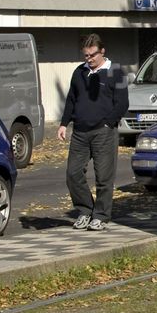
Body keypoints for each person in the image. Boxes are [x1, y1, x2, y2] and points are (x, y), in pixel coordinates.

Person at [57, 34, 128, 230]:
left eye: (92, 55)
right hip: (80, 131)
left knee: (104, 177)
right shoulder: (79, 72)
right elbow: (71, 99)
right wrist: (64, 124)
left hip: (103, 132)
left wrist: (108, 123)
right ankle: (85, 210)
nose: (89, 59)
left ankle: (101, 215)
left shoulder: (116, 72)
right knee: (73, 174)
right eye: (86, 55)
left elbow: (122, 103)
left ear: (102, 51)